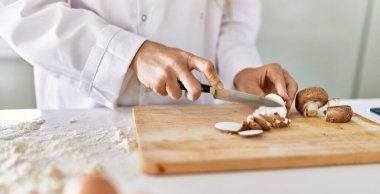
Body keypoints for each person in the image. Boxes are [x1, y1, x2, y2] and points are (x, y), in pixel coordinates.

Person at [0, 0, 298, 110]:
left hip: (191, 123)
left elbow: (233, 18)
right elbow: (20, 11)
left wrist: (241, 69)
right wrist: (130, 53)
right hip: (86, 116)